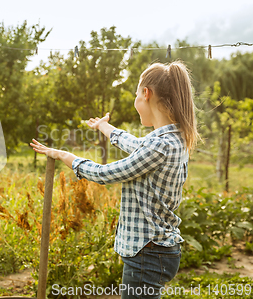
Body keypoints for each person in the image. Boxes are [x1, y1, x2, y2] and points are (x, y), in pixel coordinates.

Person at [30, 61, 199, 299]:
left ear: (146, 94)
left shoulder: (159, 145)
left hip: (147, 254)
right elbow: (136, 145)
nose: (136, 101)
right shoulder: (172, 138)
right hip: (156, 251)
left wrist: (65, 156)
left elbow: (104, 174)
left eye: (135, 95)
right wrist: (105, 127)